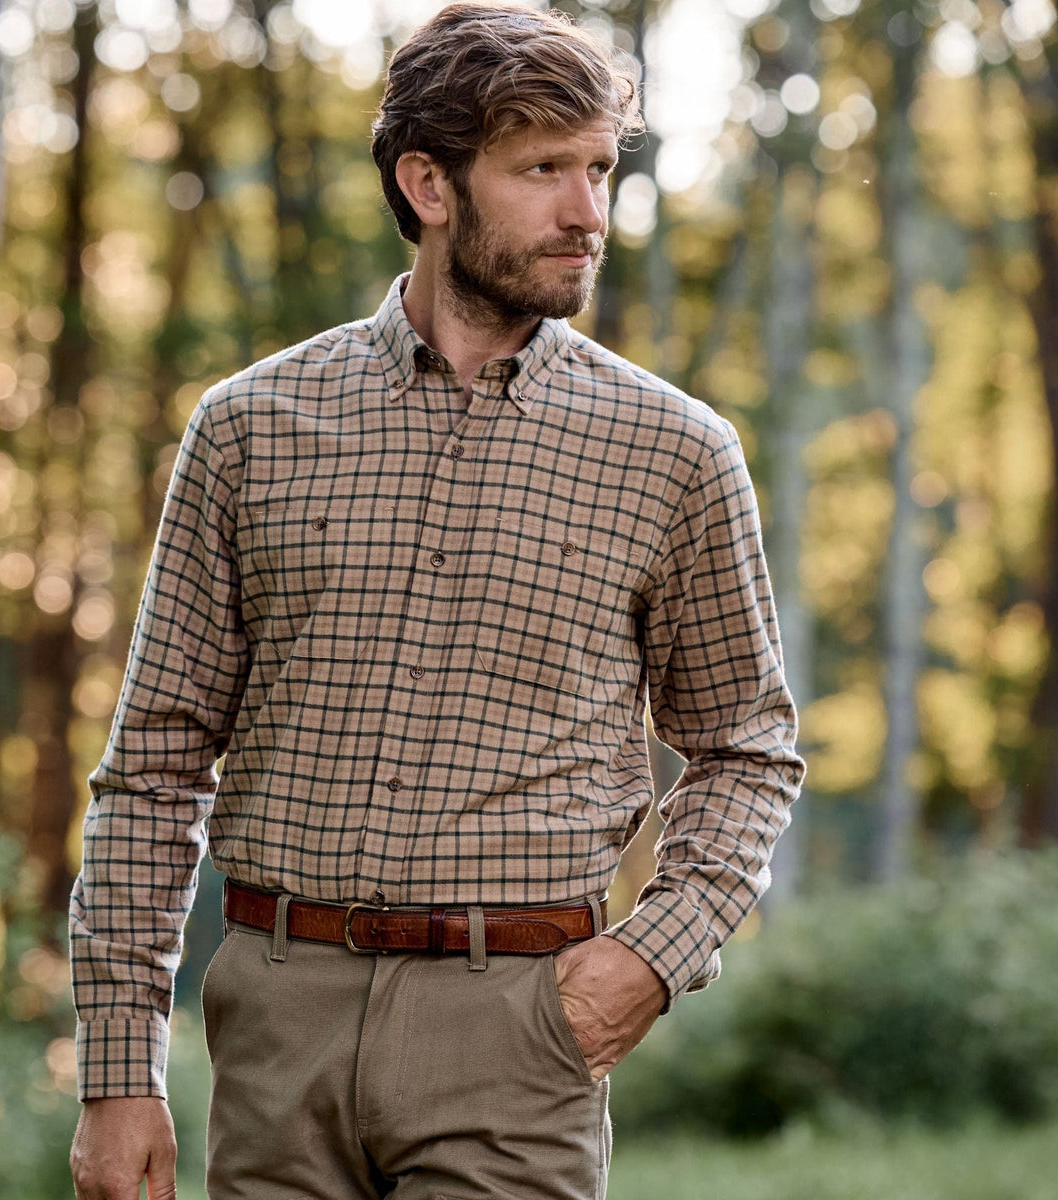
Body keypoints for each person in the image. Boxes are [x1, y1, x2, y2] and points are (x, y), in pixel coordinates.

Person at [68, 4, 804, 1198]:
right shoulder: (251, 428)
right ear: (429, 184)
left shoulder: (674, 452)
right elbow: (153, 763)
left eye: (600, 170)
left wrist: (646, 963)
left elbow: (747, 751)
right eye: (543, 171)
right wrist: (117, 1069)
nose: (588, 214)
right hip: (275, 1028)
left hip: (515, 1032)